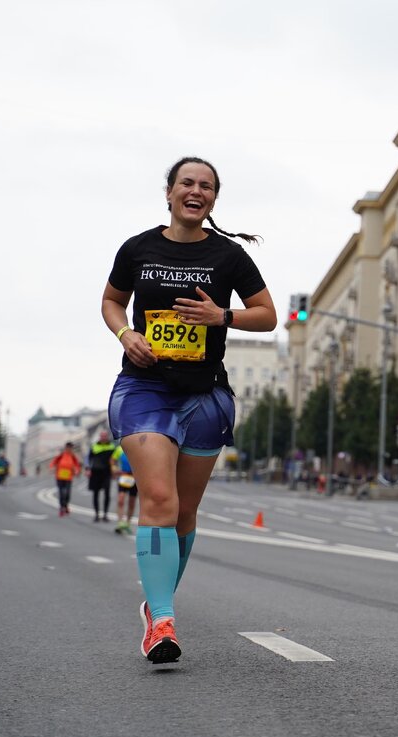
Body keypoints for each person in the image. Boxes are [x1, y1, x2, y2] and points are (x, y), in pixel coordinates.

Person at [101, 156, 275, 664]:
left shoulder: (228, 256)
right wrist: (125, 333)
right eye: (187, 184)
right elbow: (111, 302)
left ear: (214, 199)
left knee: (183, 511)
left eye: (206, 186)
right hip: (145, 389)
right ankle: (161, 622)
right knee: (158, 496)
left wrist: (223, 315)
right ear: (170, 193)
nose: (195, 192)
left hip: (204, 396)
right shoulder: (138, 248)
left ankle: (157, 607)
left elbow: (268, 316)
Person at [86, 430, 116, 522]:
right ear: (99, 437)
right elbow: (88, 458)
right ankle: (96, 514)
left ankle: (105, 514)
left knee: (107, 493)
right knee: (96, 494)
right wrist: (87, 469)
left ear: (107, 436)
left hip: (107, 473)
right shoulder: (94, 446)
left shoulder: (112, 446)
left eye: (105, 436)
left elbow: (115, 460)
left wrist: (114, 471)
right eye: (102, 436)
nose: (103, 437)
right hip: (95, 472)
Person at [50, 442, 83, 517]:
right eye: (68, 447)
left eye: (71, 448)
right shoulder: (61, 455)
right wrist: (52, 467)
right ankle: (62, 508)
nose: (69, 449)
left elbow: (77, 464)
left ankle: (66, 505)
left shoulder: (73, 456)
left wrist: (77, 471)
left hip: (68, 477)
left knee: (67, 493)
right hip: (60, 477)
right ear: (66, 448)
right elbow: (54, 461)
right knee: (61, 493)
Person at [112, 444, 138, 535]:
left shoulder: (138, 448)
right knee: (121, 499)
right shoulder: (119, 449)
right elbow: (112, 460)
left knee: (131, 502)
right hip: (123, 476)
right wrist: (115, 469)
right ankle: (120, 523)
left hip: (134, 478)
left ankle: (127, 523)